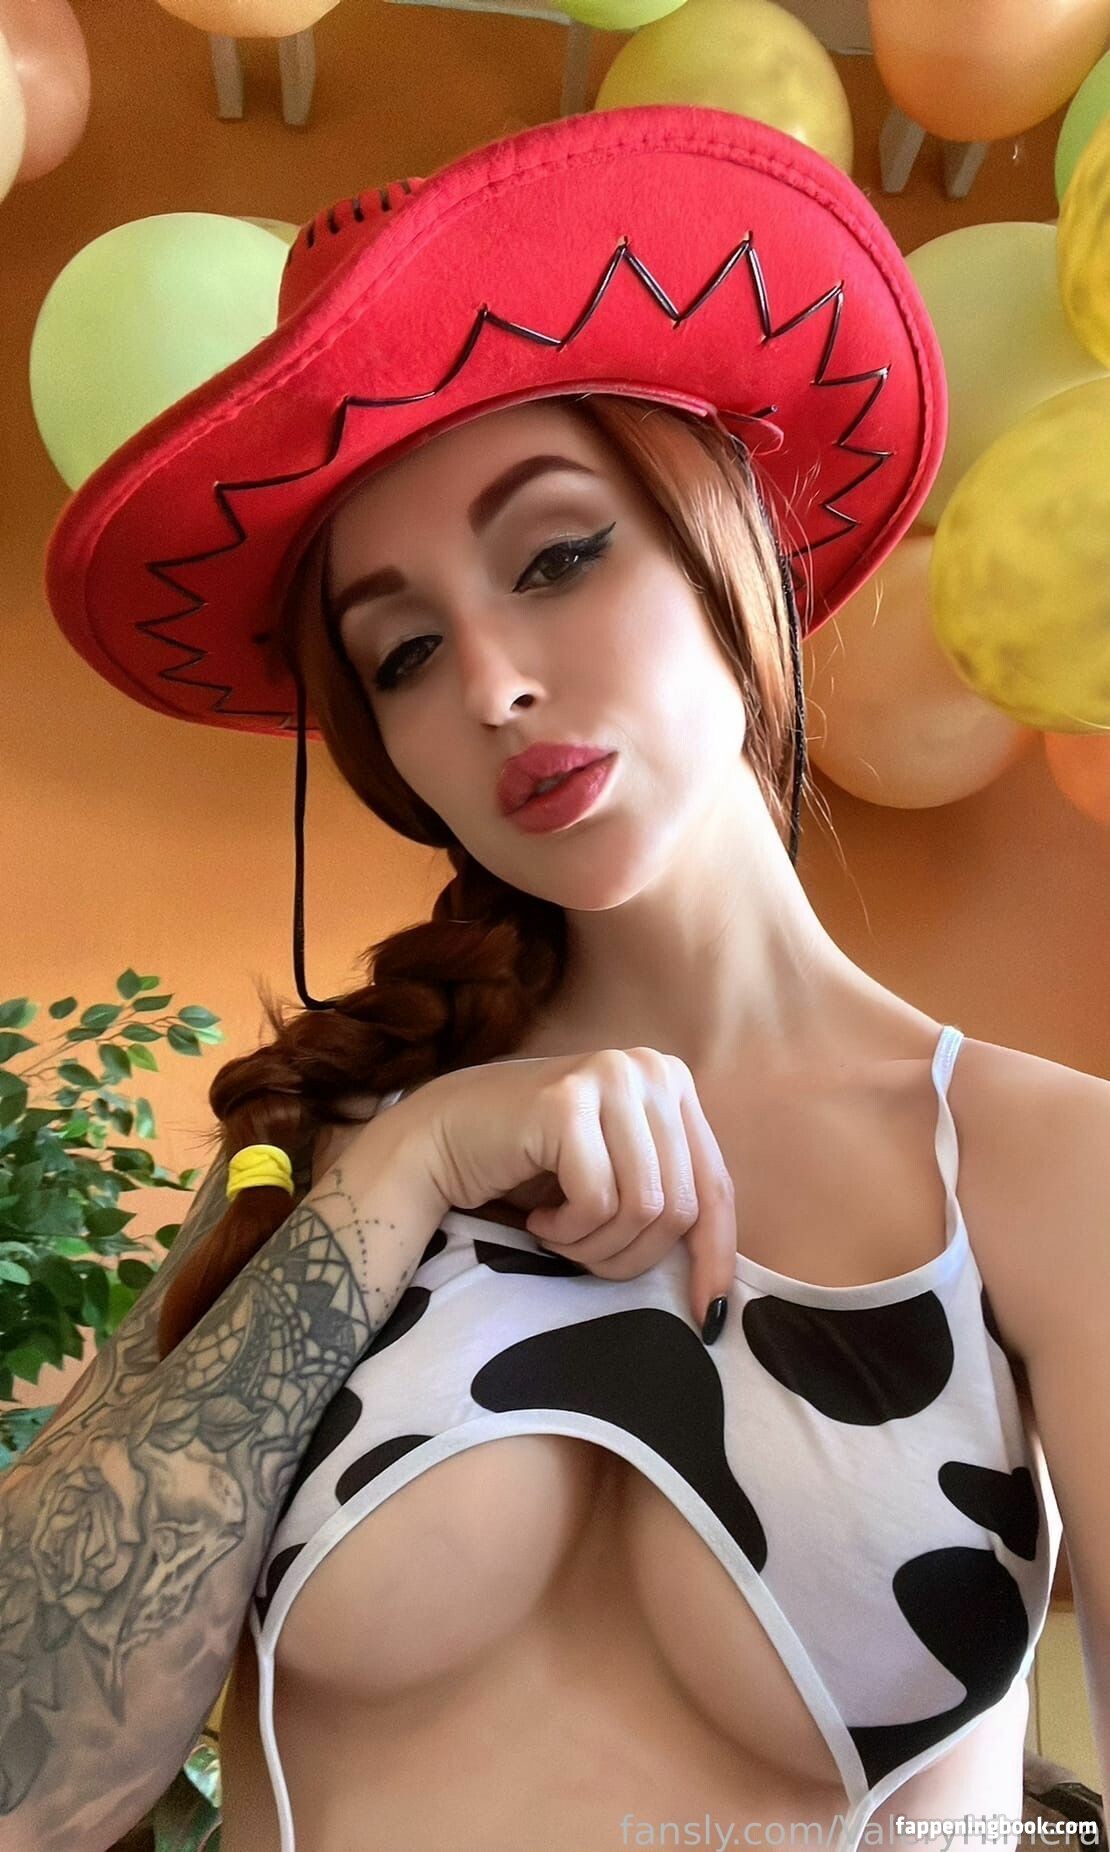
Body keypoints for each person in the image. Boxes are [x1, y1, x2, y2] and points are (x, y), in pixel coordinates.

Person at [36, 104, 1075, 1852]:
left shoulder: (1045, 1172)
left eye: (558, 555)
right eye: (403, 651)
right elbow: (23, 1773)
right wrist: (410, 1161)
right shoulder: (334, 1145)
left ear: (734, 549)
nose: (492, 685)